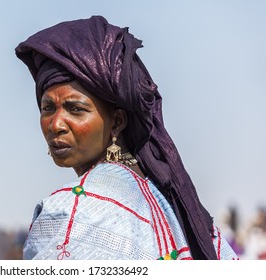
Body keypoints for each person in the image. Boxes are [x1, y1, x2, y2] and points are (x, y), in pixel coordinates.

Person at [15, 16, 239, 260]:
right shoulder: (171, 204)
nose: (56, 124)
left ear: (117, 121)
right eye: (48, 108)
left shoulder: (73, 212)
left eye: (76, 109)